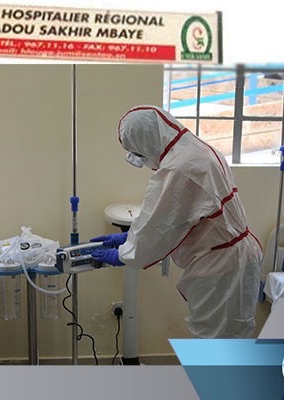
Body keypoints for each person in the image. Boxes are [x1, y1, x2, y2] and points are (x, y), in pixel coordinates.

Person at [91, 105, 263, 339]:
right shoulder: (195, 151)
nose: (144, 161)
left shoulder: (179, 168)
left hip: (223, 267)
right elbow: (177, 216)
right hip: (232, 257)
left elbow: (159, 226)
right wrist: (129, 237)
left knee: (215, 344)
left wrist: (124, 253)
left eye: (139, 153)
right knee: (230, 339)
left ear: (146, 141)